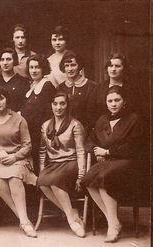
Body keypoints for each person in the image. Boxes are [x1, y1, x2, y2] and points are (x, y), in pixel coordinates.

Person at [82, 86, 144, 243]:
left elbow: (134, 146)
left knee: (104, 177)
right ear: (106, 103)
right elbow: (89, 140)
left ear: (124, 102)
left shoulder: (134, 119)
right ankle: (114, 221)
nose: (113, 104)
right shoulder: (102, 120)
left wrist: (108, 153)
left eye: (117, 100)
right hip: (107, 163)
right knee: (89, 179)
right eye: (110, 101)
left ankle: (112, 226)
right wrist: (96, 150)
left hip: (128, 163)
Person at [0, 86, 37, 238]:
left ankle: (24, 221)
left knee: (14, 177)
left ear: (7, 99)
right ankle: (23, 219)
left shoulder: (19, 119)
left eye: (1, 98)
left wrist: (15, 157)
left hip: (18, 159)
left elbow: (28, 145)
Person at [38, 92, 86, 238]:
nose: (58, 107)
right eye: (55, 104)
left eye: (62, 103)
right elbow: (42, 151)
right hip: (53, 164)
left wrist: (81, 175)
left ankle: (71, 221)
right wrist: (42, 171)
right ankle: (72, 212)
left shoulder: (75, 124)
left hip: (71, 162)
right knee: (42, 183)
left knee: (54, 181)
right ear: (51, 105)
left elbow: (80, 151)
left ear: (67, 105)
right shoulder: (46, 125)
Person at [20, 54, 56, 174]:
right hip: (29, 132)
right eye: (31, 67)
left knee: (41, 164)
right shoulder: (30, 87)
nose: (34, 71)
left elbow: (49, 113)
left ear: (43, 69)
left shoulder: (47, 86)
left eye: (37, 67)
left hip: (41, 134)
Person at [57, 51, 97, 133]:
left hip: (86, 131)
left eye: (73, 65)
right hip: (64, 132)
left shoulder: (92, 86)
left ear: (79, 66)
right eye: (67, 66)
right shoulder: (60, 88)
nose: (70, 69)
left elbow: (93, 115)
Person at [94, 53, 140, 120]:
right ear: (107, 68)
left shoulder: (132, 89)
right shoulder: (99, 88)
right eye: (110, 66)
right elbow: (93, 111)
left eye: (117, 66)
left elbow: (137, 111)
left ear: (124, 68)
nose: (113, 69)